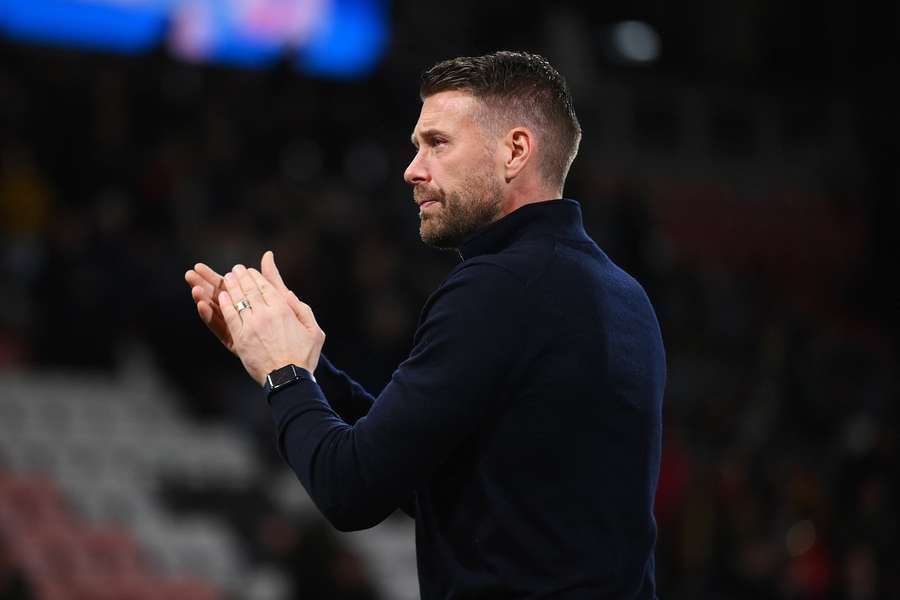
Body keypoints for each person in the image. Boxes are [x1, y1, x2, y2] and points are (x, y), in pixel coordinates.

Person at [185, 51, 666, 599]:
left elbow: (350, 488)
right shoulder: (627, 297)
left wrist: (283, 372)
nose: (413, 169)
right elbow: (441, 479)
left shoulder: (497, 288)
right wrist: (312, 371)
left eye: (437, 143)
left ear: (514, 151)